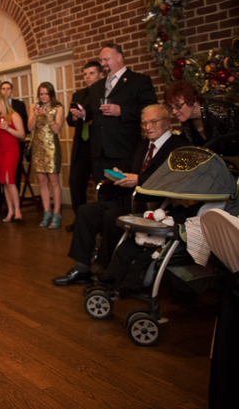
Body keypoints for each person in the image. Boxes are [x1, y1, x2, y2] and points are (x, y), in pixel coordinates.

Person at [52, 104, 188, 286]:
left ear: (167, 122)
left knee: (111, 216)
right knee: (86, 211)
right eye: (144, 123)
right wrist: (122, 175)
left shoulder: (178, 147)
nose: (148, 127)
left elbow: (172, 179)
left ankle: (108, 270)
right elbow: (134, 171)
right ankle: (81, 268)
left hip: (153, 205)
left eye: (153, 122)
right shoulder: (143, 145)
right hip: (129, 197)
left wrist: (138, 180)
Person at [74, 43, 158, 184]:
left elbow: (150, 110)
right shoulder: (96, 87)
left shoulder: (138, 81)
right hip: (99, 152)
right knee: (102, 192)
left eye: (106, 59)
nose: (103, 63)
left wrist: (121, 111)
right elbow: (91, 113)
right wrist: (82, 114)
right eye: (101, 60)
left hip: (123, 149)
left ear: (119, 58)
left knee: (121, 193)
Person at [66, 61, 103, 232]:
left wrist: (87, 116)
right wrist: (75, 117)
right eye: (85, 74)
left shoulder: (104, 92)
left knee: (101, 185)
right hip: (81, 146)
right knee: (75, 183)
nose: (87, 77)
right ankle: (79, 220)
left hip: (97, 146)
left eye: (91, 73)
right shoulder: (78, 94)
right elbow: (69, 120)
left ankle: (100, 222)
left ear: (100, 74)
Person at [163, 80, 239, 156]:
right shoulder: (187, 119)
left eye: (178, 106)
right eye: (171, 107)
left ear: (194, 101)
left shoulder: (226, 113)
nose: (174, 111)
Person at [28, 82, 64, 229]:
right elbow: (30, 128)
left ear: (51, 94)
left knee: (53, 181)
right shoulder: (33, 107)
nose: (43, 97)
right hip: (38, 147)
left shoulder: (58, 107)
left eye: (46, 94)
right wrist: (35, 116)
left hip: (51, 148)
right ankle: (46, 212)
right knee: (42, 182)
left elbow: (56, 129)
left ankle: (57, 213)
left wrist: (49, 116)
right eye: (41, 94)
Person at [0, 94, 25, 223]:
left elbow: (22, 134)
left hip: (11, 151)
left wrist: (8, 129)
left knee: (10, 180)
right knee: (4, 181)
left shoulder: (14, 115)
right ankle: (9, 210)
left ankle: (17, 211)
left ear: (3, 103)